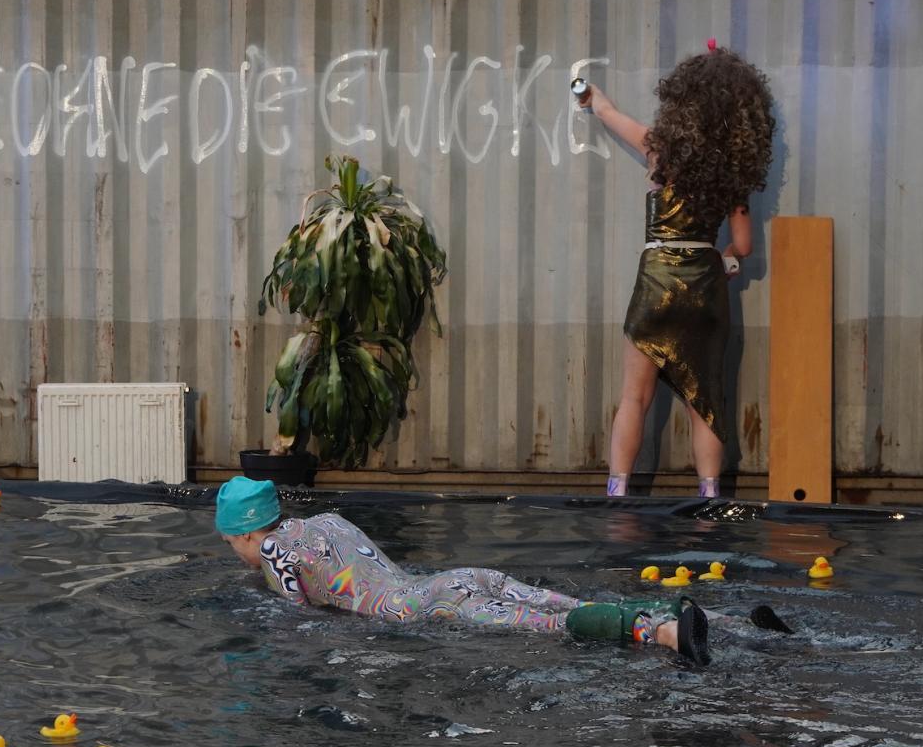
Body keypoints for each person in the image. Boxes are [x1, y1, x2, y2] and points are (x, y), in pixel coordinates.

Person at [214, 476, 720, 664]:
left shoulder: (275, 552)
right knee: (563, 605)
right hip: (456, 579)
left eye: (231, 543)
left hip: (428, 606)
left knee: (552, 627)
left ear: (244, 534)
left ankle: (665, 634)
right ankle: (693, 617)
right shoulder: (327, 520)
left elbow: (297, 621)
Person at [578, 45, 776, 499]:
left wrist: (591, 96)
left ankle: (617, 492)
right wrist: (724, 261)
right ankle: (709, 496)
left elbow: (608, 113)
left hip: (657, 281)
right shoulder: (733, 173)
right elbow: (743, 246)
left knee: (635, 398)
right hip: (704, 289)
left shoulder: (657, 149)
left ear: (682, 102)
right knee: (704, 404)